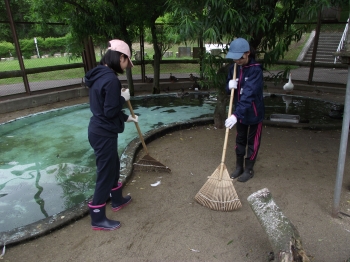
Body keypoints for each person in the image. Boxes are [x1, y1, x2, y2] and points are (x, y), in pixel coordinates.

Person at [84, 39, 138, 230]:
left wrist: (125, 118)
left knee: (113, 166)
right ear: (121, 57)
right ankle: (97, 218)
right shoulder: (111, 79)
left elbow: (103, 105)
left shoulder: (98, 74)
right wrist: (122, 99)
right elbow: (109, 111)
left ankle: (117, 200)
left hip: (98, 130)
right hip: (103, 133)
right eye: (126, 62)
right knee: (105, 174)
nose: (126, 66)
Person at [225, 38, 265, 183]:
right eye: (234, 58)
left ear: (247, 53)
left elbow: (249, 95)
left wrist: (235, 115)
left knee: (252, 142)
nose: (237, 60)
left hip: (254, 113)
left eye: (239, 57)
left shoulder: (256, 70)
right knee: (240, 139)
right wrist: (229, 86)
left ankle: (248, 169)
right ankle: (238, 167)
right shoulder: (234, 68)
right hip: (240, 113)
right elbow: (230, 91)